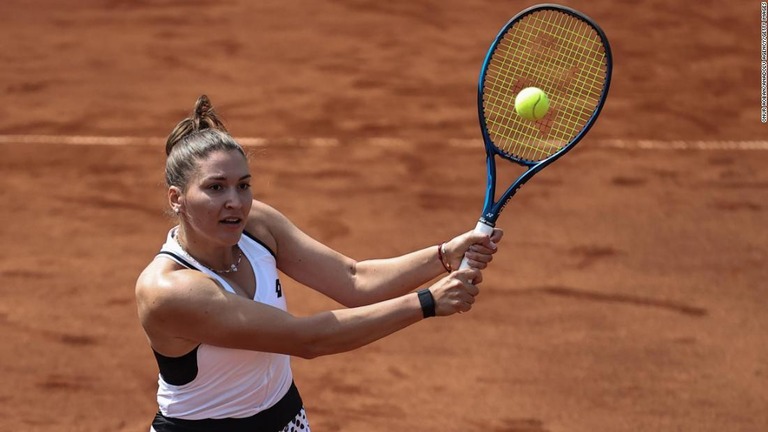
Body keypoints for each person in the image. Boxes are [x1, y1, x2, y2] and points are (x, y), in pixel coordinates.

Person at [135, 95, 503, 432]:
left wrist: (442, 255)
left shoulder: (257, 225)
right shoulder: (169, 289)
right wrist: (428, 302)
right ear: (177, 198)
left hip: (287, 422)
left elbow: (353, 279)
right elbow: (308, 339)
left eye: (243, 185)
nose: (235, 201)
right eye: (216, 188)